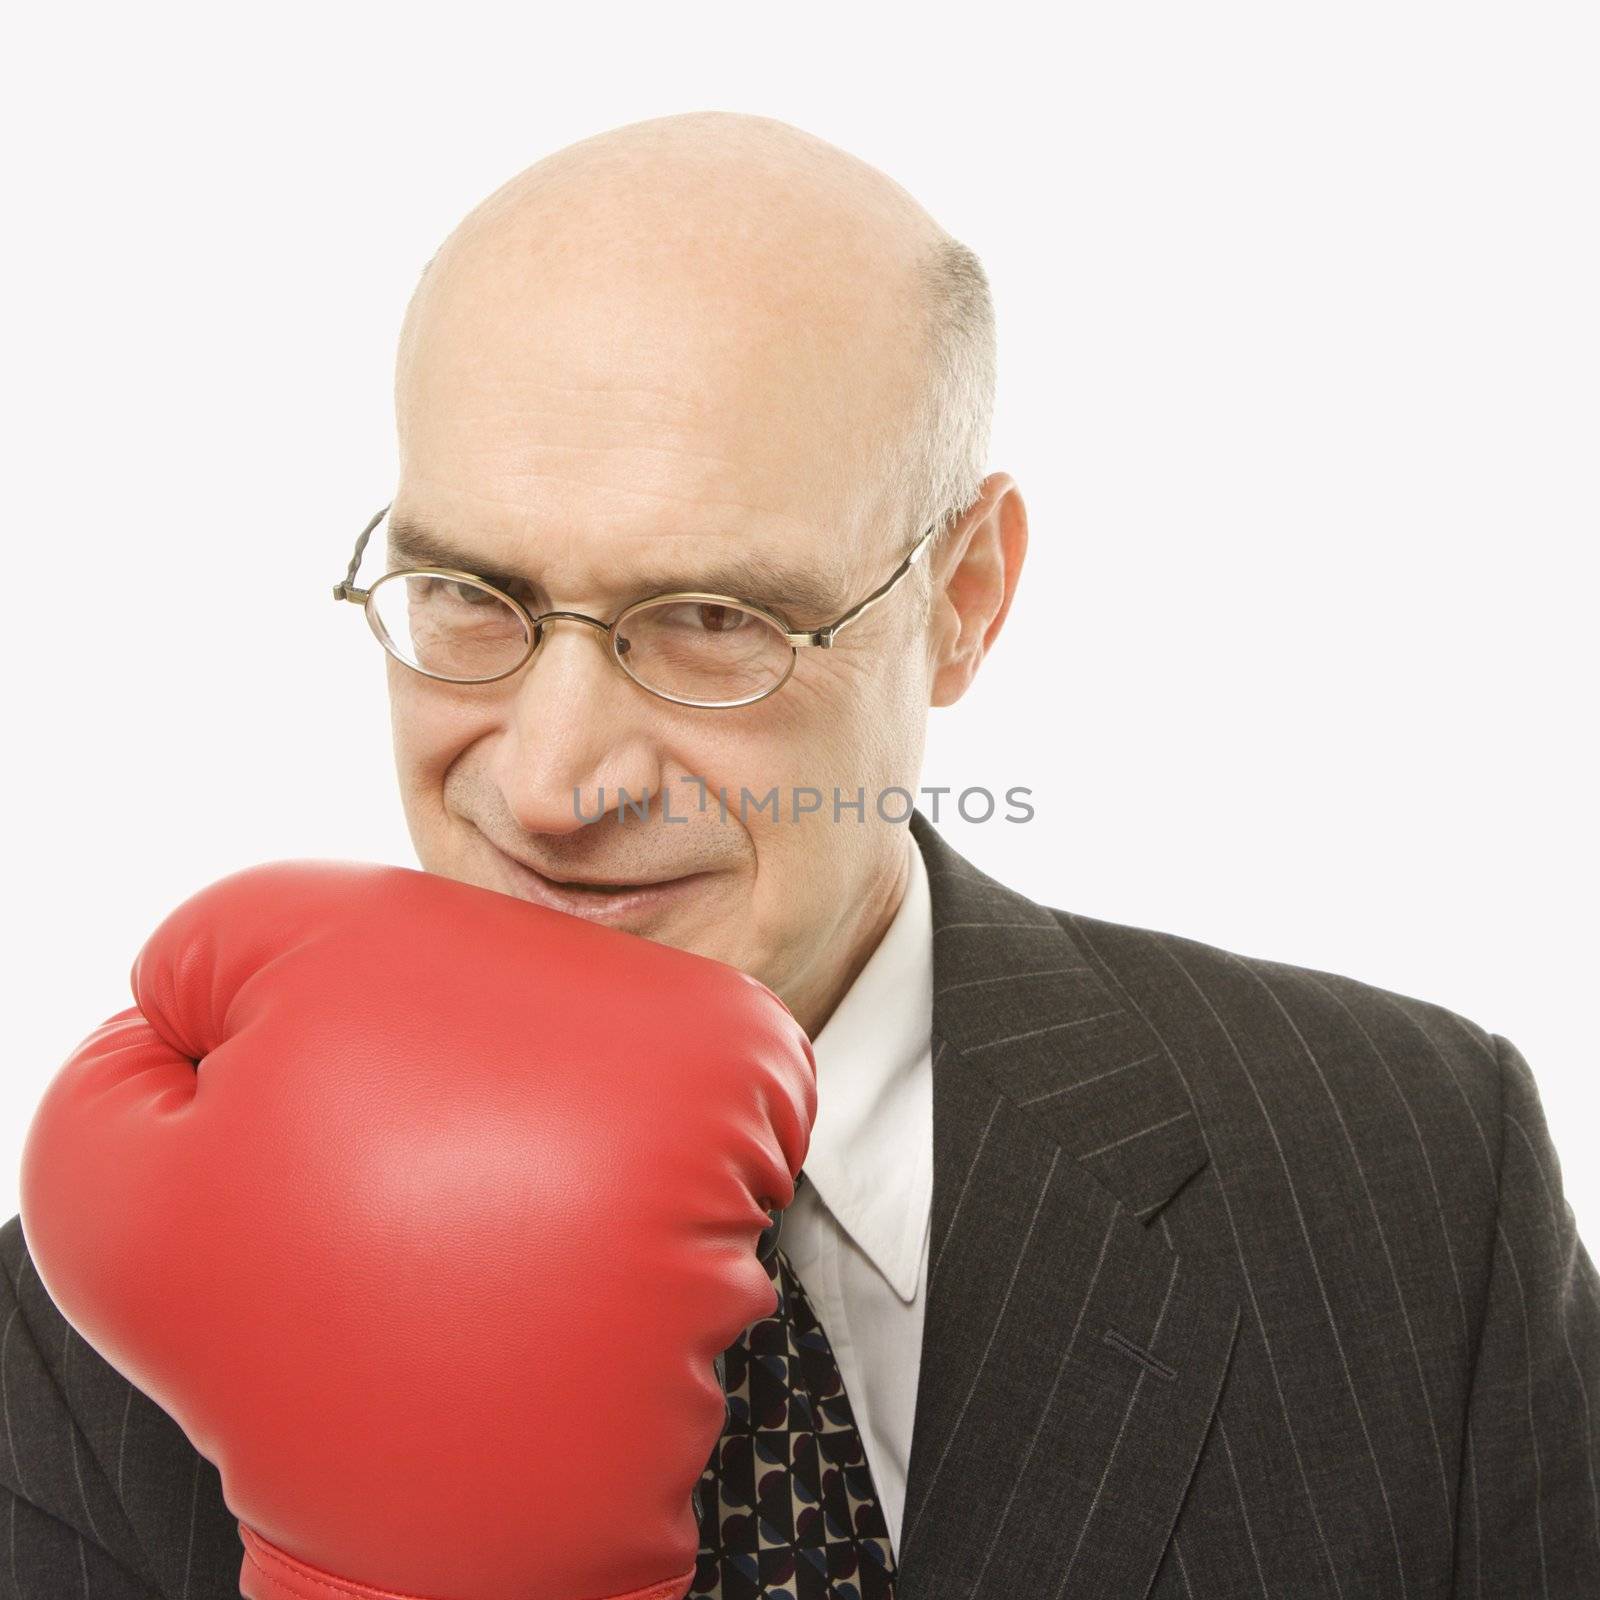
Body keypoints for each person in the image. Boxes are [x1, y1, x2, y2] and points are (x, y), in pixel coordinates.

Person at [2, 110, 1595, 1599]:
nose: (552, 781)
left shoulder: (1413, 1176)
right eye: (469, 598)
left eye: (711, 621)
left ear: (964, 596)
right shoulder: (93, 1307)